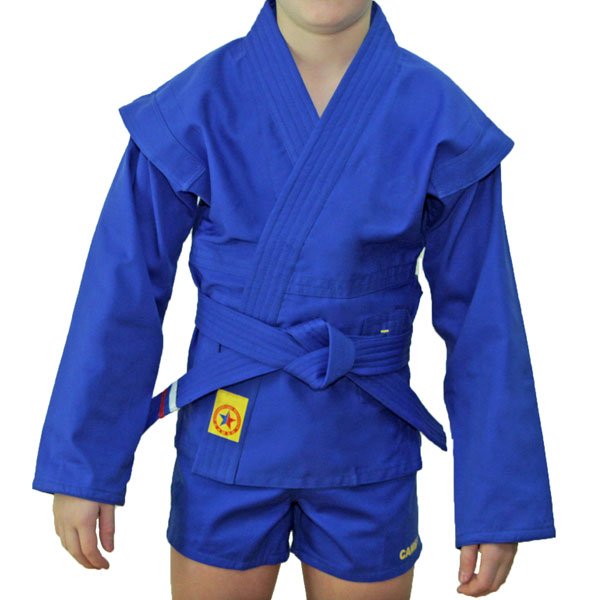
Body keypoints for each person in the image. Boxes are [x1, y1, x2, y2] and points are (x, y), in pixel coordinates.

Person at [32, 1, 556, 598]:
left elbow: (485, 320)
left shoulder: (440, 116)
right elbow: (121, 293)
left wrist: (496, 501)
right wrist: (84, 466)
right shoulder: (197, 103)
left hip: (366, 440)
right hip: (230, 432)